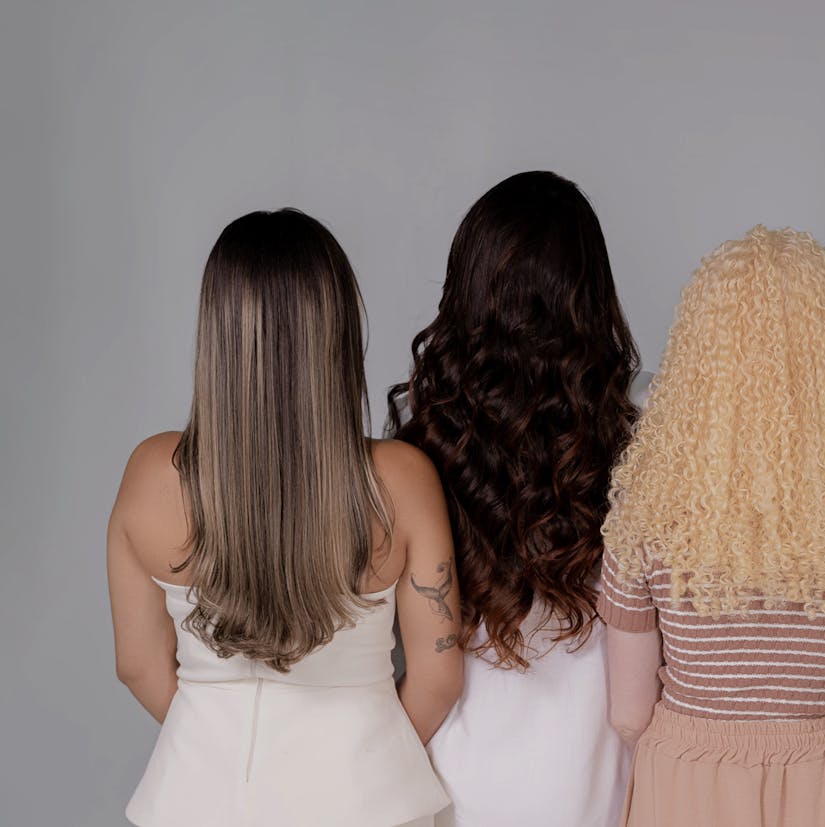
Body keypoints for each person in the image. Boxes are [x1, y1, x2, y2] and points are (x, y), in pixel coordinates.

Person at [108, 209, 462, 827]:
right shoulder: (401, 481)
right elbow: (438, 677)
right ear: (339, 330)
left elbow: (137, 665)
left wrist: (221, 748)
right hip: (367, 800)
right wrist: (362, 762)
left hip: (197, 801)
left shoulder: (150, 475)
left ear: (216, 333)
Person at [599, 226, 825, 827]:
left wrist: (690, 770)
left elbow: (628, 715)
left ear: (702, 358)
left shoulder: (646, 514)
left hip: (686, 785)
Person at [387, 171, 641, 827]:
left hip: (448, 789)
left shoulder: (419, 451)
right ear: (591, 302)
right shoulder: (641, 449)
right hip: (597, 793)